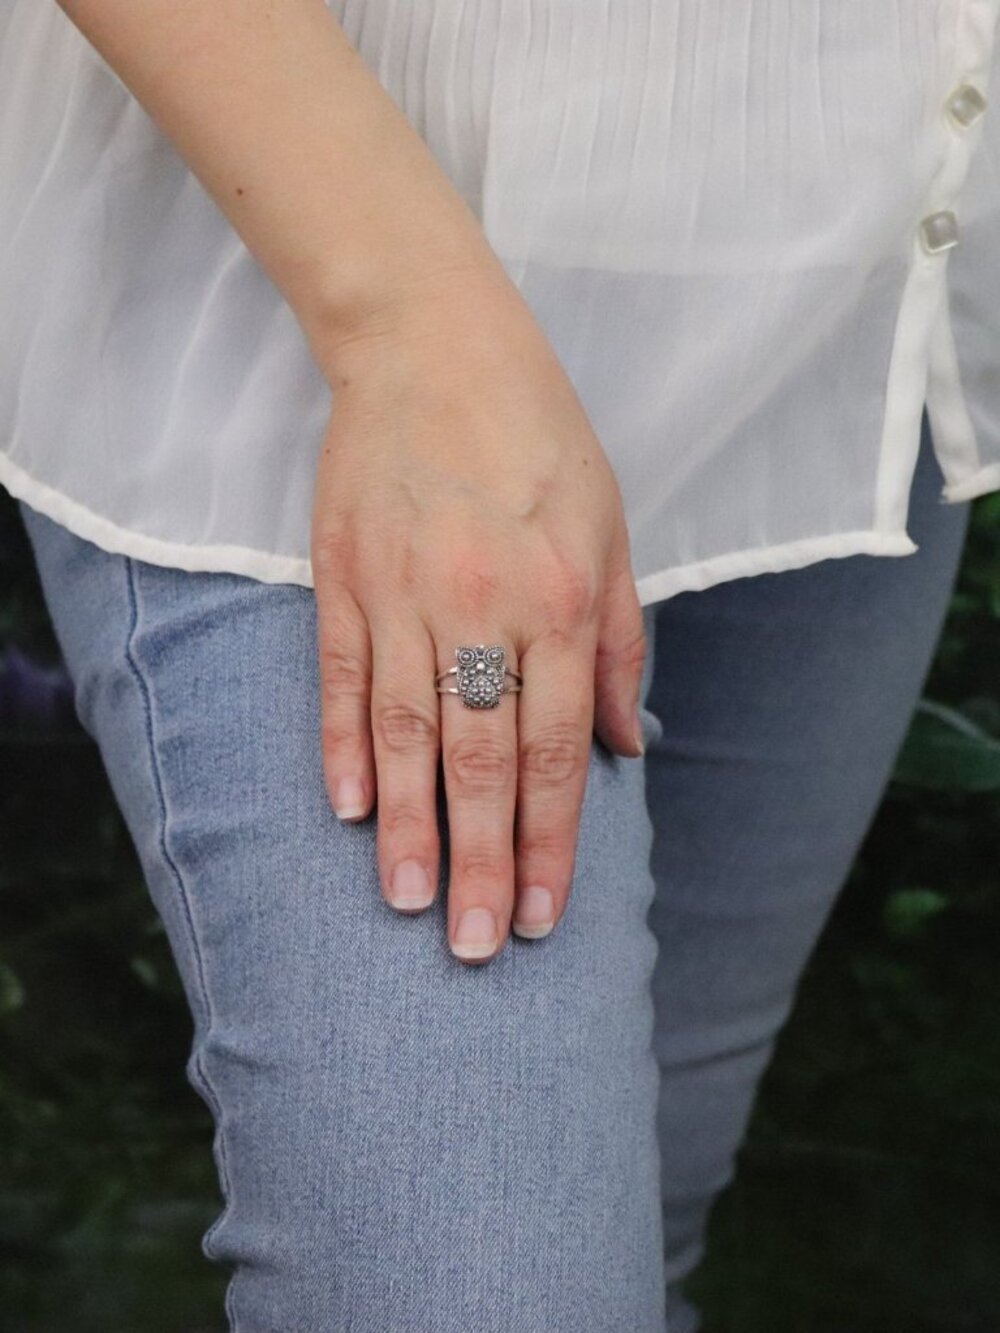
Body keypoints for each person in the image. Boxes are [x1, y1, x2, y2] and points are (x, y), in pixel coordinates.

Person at [2, 2, 999, 1328]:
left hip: (853, 284)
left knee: (647, 1212)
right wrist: (402, 327)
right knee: (483, 1287)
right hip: (318, 280)